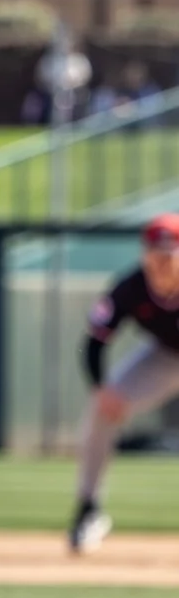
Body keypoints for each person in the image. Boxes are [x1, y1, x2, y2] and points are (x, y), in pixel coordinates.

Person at [71, 214, 179, 553]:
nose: (162, 262)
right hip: (165, 358)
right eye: (156, 254)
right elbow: (94, 342)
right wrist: (101, 389)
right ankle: (89, 510)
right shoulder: (131, 288)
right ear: (144, 255)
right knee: (102, 409)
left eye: (170, 255)